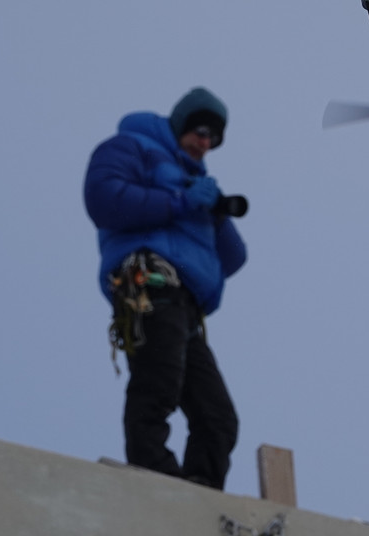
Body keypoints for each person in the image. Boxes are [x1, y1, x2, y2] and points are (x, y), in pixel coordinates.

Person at [83, 87, 247, 490]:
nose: (204, 144)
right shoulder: (132, 146)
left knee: (217, 417)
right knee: (158, 383)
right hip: (149, 283)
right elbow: (103, 198)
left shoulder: (196, 181)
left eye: (213, 139)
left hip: (185, 304)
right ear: (181, 123)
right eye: (200, 132)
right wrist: (180, 201)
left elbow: (234, 258)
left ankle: (199, 495)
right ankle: (154, 479)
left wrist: (215, 213)